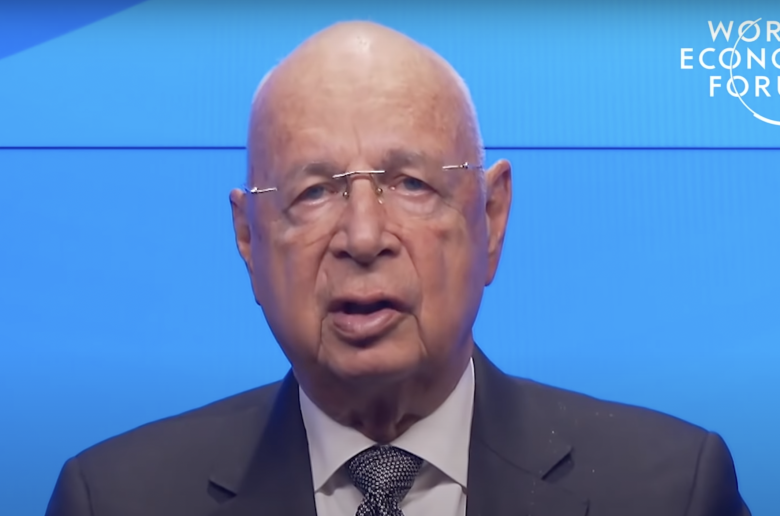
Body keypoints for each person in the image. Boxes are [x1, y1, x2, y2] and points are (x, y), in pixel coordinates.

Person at [45, 21, 751, 516]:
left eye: (411, 184)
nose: (362, 237)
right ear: (248, 239)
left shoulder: (670, 492)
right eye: (312, 192)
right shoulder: (113, 500)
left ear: (491, 217)